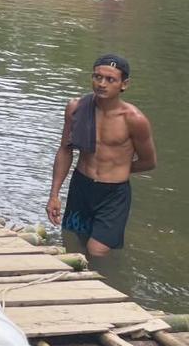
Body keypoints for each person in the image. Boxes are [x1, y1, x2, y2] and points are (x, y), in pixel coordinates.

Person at [46, 55, 156, 256]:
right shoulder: (77, 108)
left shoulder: (134, 119)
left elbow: (149, 162)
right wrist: (54, 195)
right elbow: (65, 149)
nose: (101, 84)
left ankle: (107, 284)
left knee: (96, 251)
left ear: (124, 84)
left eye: (110, 79)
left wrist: (120, 168)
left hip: (113, 194)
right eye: (97, 77)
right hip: (81, 186)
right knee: (72, 243)